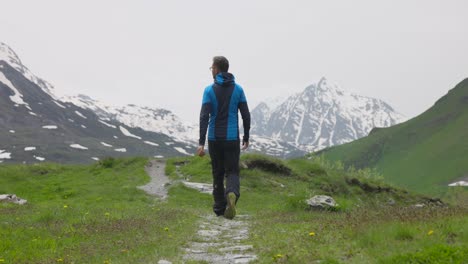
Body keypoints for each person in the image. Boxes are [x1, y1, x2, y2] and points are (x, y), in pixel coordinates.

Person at [197, 56, 251, 220]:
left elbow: (204, 117)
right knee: (232, 171)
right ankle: (232, 193)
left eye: (212, 68)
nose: (211, 70)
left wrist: (201, 143)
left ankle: (220, 209)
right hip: (232, 138)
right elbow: (246, 115)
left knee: (217, 173)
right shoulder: (239, 90)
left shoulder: (208, 90)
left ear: (217, 69)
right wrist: (246, 136)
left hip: (214, 139)